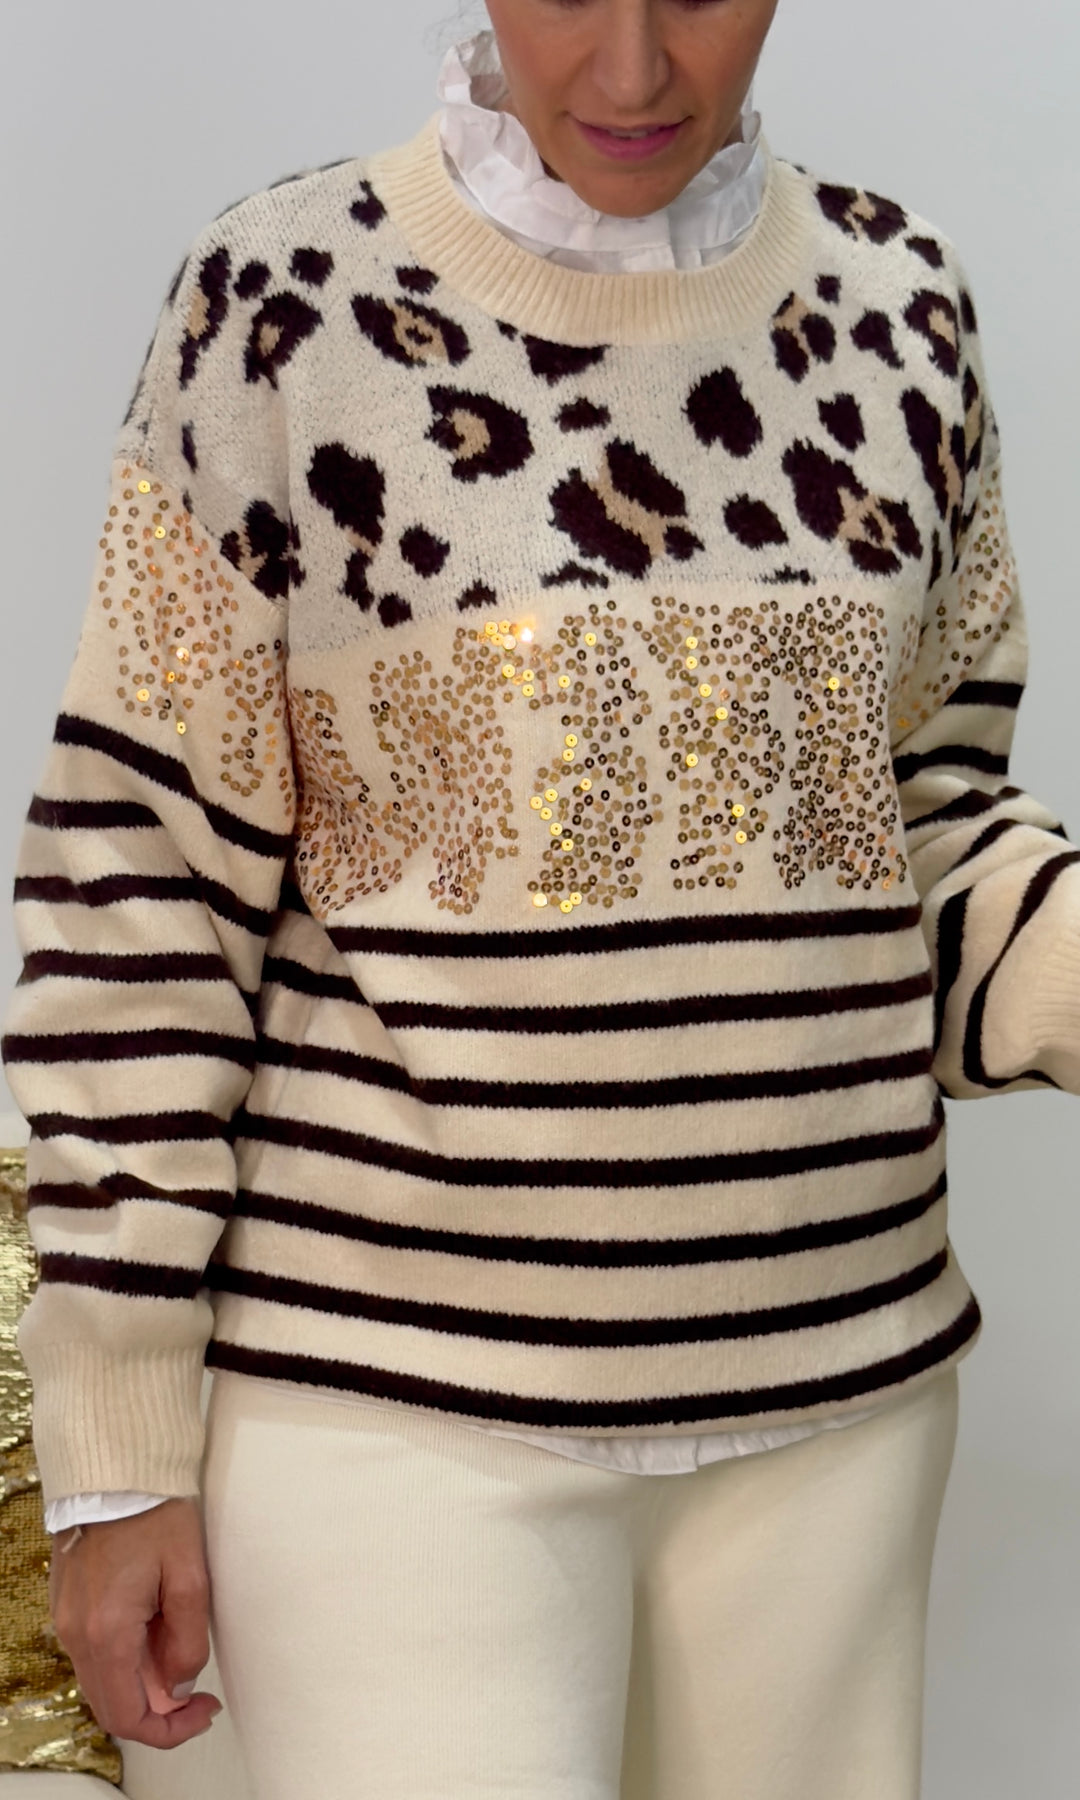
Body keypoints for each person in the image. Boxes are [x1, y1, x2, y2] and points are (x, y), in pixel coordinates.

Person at [4, 1, 1078, 1794]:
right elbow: (141, 887)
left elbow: (920, 831)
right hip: (393, 1409)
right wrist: (115, 1448)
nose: (634, 70)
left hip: (839, 1391)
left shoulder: (902, 307)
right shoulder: (281, 308)